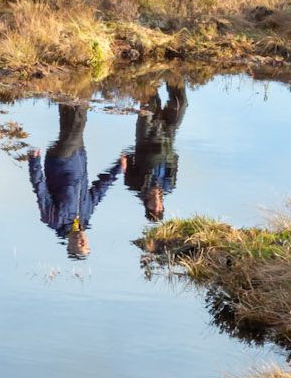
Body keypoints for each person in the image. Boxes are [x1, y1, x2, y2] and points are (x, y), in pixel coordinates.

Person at [28, 103, 128, 259]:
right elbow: (99, 190)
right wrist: (118, 169)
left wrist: (34, 163)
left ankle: (81, 92)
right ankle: (63, 90)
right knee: (68, 122)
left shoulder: (54, 221)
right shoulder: (85, 217)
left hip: (60, 160)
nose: (82, 241)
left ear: (70, 246)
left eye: (79, 246)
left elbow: (40, 191)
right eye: (86, 244)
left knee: (77, 124)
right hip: (79, 156)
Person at [124, 82, 187, 221]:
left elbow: (127, 159)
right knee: (181, 104)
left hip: (146, 137)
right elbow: (174, 162)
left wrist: (125, 163)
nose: (157, 207)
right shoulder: (169, 185)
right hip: (168, 136)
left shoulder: (136, 185)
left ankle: (149, 72)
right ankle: (173, 75)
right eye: (160, 209)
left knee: (149, 101)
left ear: (147, 206)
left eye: (154, 209)